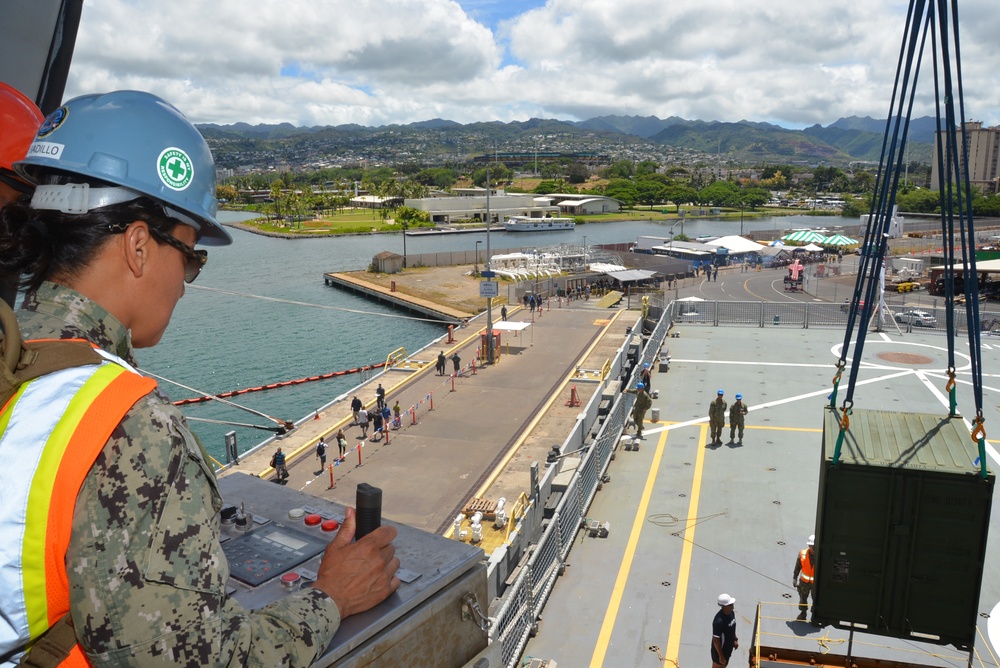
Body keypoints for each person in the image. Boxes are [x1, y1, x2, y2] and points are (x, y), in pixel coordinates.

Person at [0, 90, 400, 667]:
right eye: (190, 256)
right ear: (139, 245)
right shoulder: (129, 426)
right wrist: (332, 597)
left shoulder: (15, 353)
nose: (187, 281)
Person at [711, 594, 739, 668]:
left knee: (724, 665)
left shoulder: (731, 613)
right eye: (730, 604)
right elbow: (716, 640)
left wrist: (735, 639)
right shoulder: (718, 621)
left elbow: (732, 627)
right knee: (718, 666)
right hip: (720, 651)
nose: (732, 606)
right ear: (724, 606)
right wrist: (721, 656)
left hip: (728, 648)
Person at [793, 534, 816, 621]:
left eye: (814, 546)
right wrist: (794, 578)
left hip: (815, 583)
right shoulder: (802, 554)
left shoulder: (821, 556)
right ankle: (803, 613)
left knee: (816, 600)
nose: (812, 548)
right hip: (804, 582)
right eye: (811, 546)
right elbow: (797, 567)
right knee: (803, 598)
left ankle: (815, 616)